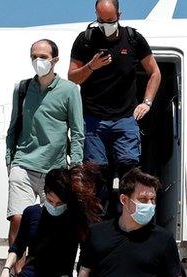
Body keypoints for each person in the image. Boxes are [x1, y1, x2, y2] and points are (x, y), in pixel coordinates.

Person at [68, 0, 161, 214]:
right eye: (101, 20)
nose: (106, 24)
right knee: (96, 173)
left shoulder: (134, 38)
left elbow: (155, 72)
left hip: (125, 118)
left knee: (129, 170)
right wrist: (92, 66)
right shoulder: (85, 40)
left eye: (110, 20)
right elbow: (73, 77)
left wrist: (146, 103)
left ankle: (130, 220)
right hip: (93, 119)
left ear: (119, 14)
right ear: (95, 15)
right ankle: (98, 225)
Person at [5, 38, 85, 244]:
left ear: (55, 60)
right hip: (23, 164)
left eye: (43, 57)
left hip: (55, 169)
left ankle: (40, 271)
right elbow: (13, 127)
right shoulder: (21, 89)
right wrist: (9, 160)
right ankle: (15, 272)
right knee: (17, 219)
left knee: (50, 224)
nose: (38, 61)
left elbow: (77, 132)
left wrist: (75, 167)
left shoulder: (69, 90)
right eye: (34, 57)